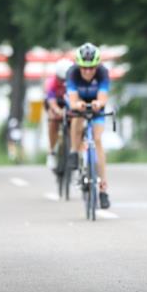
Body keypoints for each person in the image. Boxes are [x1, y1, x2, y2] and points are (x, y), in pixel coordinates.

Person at [66, 42, 112, 209]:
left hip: (96, 105)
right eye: (83, 68)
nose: (87, 71)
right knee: (77, 118)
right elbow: (72, 100)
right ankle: (73, 151)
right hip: (79, 104)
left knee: (98, 140)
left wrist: (99, 103)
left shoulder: (103, 73)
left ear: (97, 66)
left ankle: (103, 189)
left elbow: (103, 96)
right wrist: (77, 105)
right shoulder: (72, 73)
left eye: (91, 68)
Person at [44, 58, 73, 171]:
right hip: (56, 103)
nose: (63, 82)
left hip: (70, 102)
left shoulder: (75, 81)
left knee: (76, 120)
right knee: (52, 119)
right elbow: (51, 102)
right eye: (61, 79)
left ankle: (73, 149)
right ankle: (52, 152)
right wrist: (57, 111)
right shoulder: (52, 83)